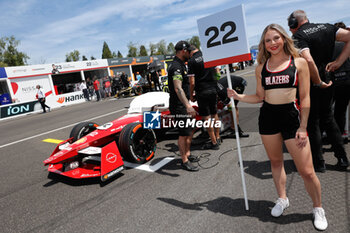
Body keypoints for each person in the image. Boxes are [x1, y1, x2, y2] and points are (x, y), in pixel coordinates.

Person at [228, 24, 328, 231]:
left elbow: (305, 97)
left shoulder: (298, 62)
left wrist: (303, 126)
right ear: (263, 44)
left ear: (284, 38)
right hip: (268, 118)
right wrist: (238, 97)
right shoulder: (260, 68)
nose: (272, 43)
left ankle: (318, 208)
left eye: (276, 38)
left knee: (307, 171)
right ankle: (282, 199)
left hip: (292, 118)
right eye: (267, 40)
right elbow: (259, 97)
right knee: (275, 162)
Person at [288, 10, 350, 171]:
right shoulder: (328, 27)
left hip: (312, 81)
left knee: (312, 122)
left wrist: (317, 81)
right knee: (328, 118)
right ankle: (342, 158)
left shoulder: (299, 35)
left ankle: (319, 162)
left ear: (294, 23)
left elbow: (308, 59)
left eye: (290, 26)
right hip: (329, 77)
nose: (290, 30)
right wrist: (338, 62)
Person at [168, 40, 198, 171]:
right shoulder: (176, 66)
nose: (190, 53)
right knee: (183, 133)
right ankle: (184, 161)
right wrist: (188, 105)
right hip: (179, 106)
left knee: (189, 131)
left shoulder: (181, 64)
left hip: (183, 104)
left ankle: (188, 154)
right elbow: (177, 89)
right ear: (183, 51)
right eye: (188, 51)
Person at [188, 45, 221, 150]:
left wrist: (191, 94)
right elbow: (218, 73)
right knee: (214, 114)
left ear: (190, 52)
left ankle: (214, 143)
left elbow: (192, 82)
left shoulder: (192, 61)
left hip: (202, 91)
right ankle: (218, 137)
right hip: (213, 89)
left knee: (206, 117)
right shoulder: (209, 56)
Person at [332, 22, 350, 137]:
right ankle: (342, 133)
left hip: (333, 81)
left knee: (329, 111)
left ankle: (332, 134)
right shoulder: (346, 46)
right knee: (341, 110)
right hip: (347, 81)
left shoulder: (330, 45)